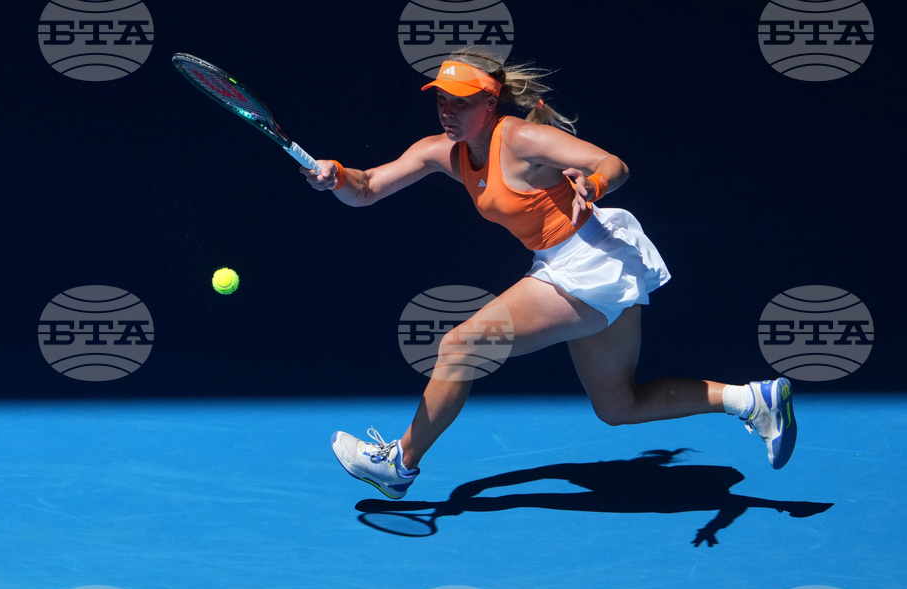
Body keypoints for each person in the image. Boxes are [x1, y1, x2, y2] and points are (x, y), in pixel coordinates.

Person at [302, 48, 797, 499]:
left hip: (590, 259)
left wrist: (595, 182)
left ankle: (399, 463)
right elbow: (366, 188)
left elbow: (614, 163)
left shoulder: (522, 138)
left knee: (461, 346)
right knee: (618, 406)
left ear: (490, 102)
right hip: (575, 262)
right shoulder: (442, 152)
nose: (448, 112)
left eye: (461, 102)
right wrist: (336, 177)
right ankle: (752, 400)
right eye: (441, 101)